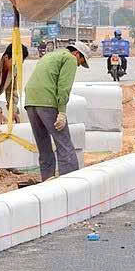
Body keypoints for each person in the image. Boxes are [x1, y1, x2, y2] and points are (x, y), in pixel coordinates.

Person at [24, 41, 91, 181]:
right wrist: (62, 112)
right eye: (81, 61)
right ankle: (70, 181)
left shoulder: (50, 55)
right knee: (64, 143)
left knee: (43, 145)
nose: (78, 65)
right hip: (47, 102)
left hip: (30, 101)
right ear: (77, 53)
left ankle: (47, 179)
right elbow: (64, 87)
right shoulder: (70, 59)